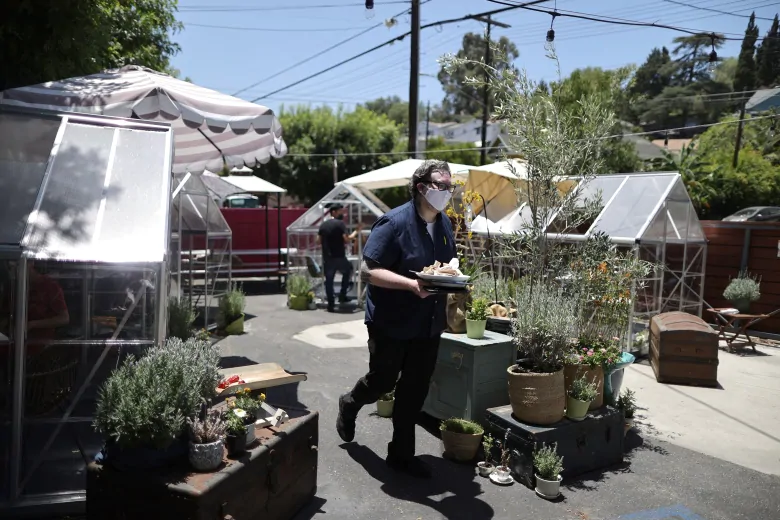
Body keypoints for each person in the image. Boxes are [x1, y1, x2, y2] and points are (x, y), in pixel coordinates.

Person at [336, 159, 456, 478]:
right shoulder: (393, 222)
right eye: (440, 186)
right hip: (391, 321)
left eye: (449, 186)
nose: (447, 192)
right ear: (421, 188)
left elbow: (446, 264)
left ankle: (401, 455)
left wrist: (453, 277)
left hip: (428, 324)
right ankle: (350, 402)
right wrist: (410, 285)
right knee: (384, 381)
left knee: (414, 390)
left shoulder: (444, 224)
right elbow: (368, 270)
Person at [317, 204, 362, 312]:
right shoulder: (340, 224)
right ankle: (342, 296)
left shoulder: (323, 225)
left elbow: (317, 241)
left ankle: (331, 304)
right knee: (348, 271)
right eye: (339, 211)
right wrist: (357, 230)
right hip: (339, 256)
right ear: (333, 212)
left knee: (329, 281)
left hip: (328, 258)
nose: (342, 213)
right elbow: (347, 239)